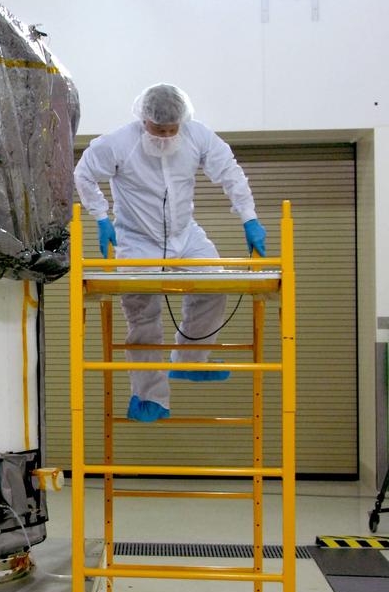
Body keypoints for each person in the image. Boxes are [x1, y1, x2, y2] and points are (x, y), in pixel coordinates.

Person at [73, 83, 266, 422]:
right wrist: (101, 218)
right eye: (157, 129)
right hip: (135, 240)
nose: (164, 135)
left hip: (185, 235)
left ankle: (189, 360)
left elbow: (231, 174)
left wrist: (249, 218)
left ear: (182, 122)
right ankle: (149, 397)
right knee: (143, 317)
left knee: (214, 283)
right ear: (143, 119)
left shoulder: (198, 137)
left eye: (171, 129)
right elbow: (84, 174)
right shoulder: (118, 143)